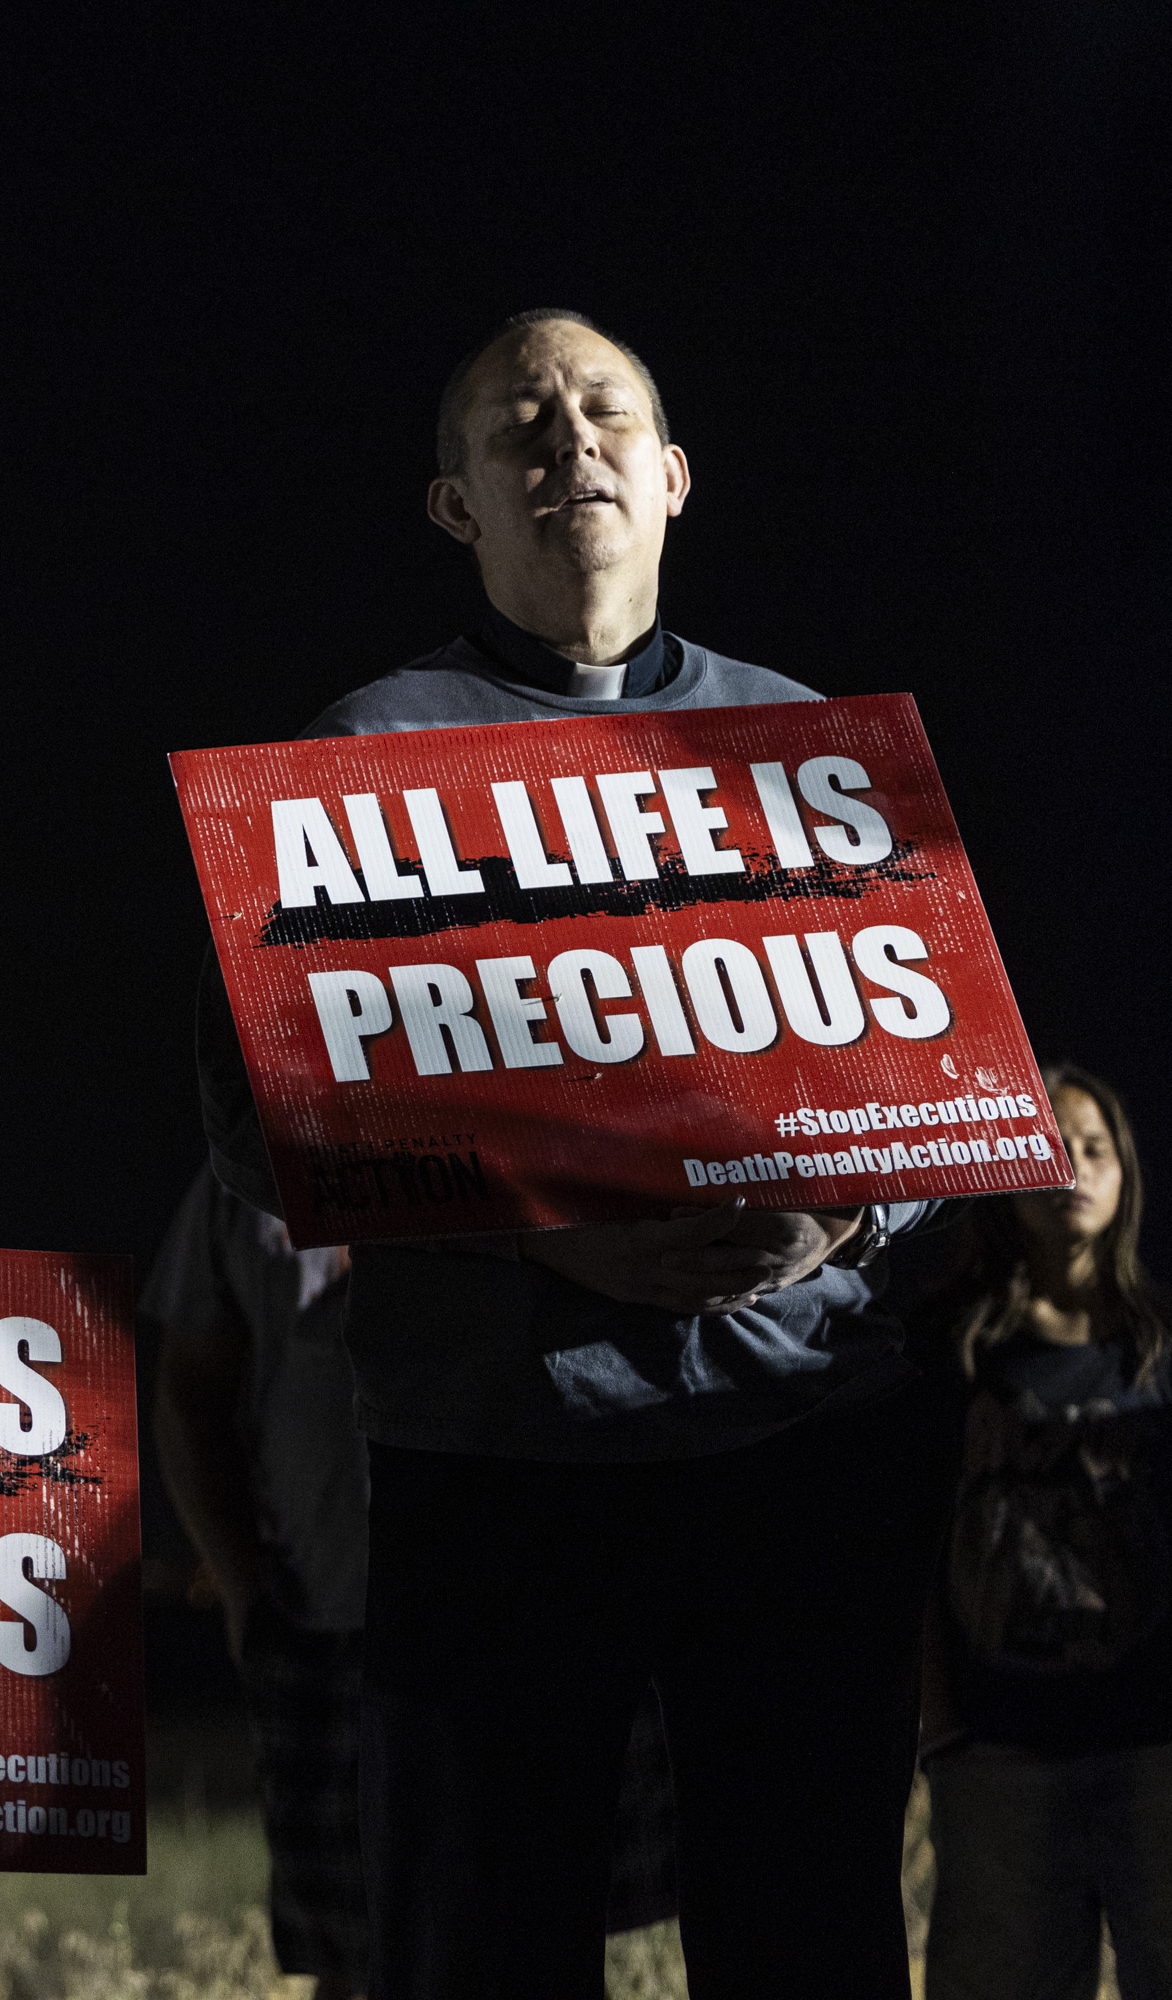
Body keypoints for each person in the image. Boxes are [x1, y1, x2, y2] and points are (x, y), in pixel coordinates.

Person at [197, 309, 950, 1997]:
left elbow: (941, 1082)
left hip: (796, 1439)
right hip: (500, 1455)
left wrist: (839, 1218)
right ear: (456, 504)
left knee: (812, 1921)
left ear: (675, 476)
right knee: (486, 1933)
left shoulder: (811, 748)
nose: (569, 444)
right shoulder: (361, 758)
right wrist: (531, 1232)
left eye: (605, 412)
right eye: (517, 428)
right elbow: (259, 1128)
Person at [146, 1165, 678, 1998]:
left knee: (554, 1921)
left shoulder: (515, 1133)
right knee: (355, 1951)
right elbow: (189, 1385)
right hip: (328, 1613)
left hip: (535, 1603)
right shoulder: (246, 1176)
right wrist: (244, 1591)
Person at [917, 1066, 1172, 1999]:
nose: (1072, 1167)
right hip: (1001, 1750)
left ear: (1126, 1175)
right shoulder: (951, 1349)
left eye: (1094, 1147)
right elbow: (913, 1543)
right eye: (1052, 1145)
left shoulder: (1161, 1344)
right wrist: (941, 1723)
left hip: (1157, 1743)